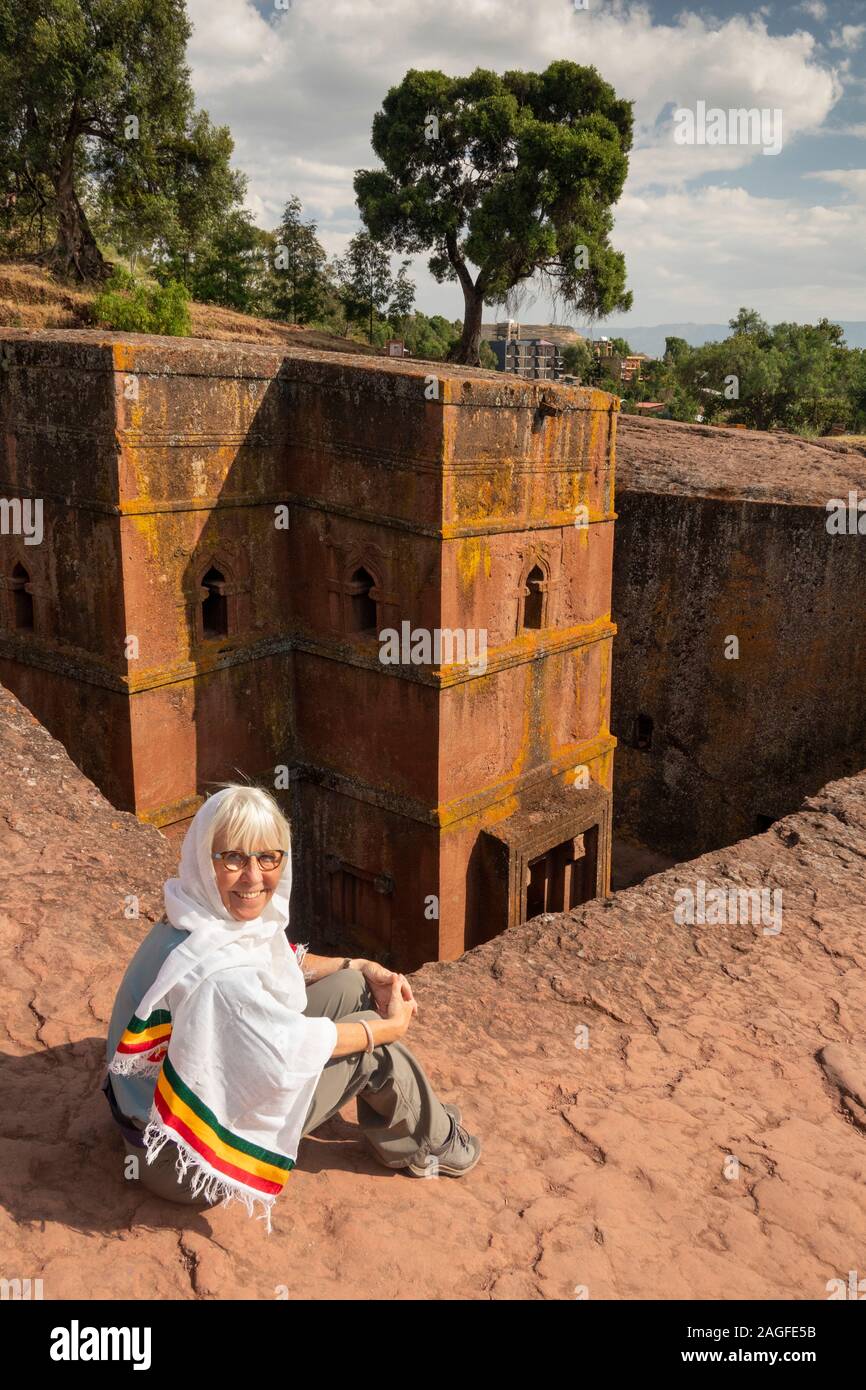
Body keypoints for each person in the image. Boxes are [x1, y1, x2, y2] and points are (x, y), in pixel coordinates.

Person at [102, 783, 480, 1226]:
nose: (253, 876)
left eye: (268, 857)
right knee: (376, 1053)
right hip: (180, 1157)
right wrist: (388, 1030)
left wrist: (355, 963)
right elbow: (284, 1047)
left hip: (148, 1111)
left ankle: (406, 1115)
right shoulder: (221, 978)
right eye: (233, 858)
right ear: (206, 860)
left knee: (351, 986)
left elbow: (276, 955)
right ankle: (431, 1142)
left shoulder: (194, 914)